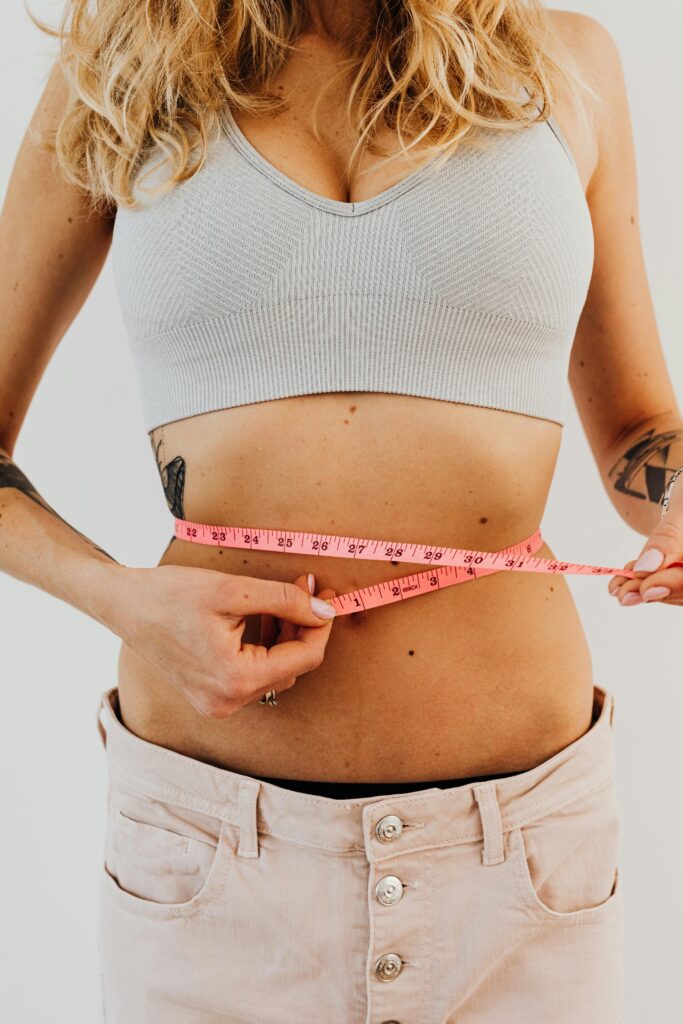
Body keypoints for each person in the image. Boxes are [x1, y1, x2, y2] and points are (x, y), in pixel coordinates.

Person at [2, 1, 683, 1020]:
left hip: (522, 850)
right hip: (208, 850)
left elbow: (638, 428)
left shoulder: (565, 62)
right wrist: (124, 601)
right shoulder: (124, 62)